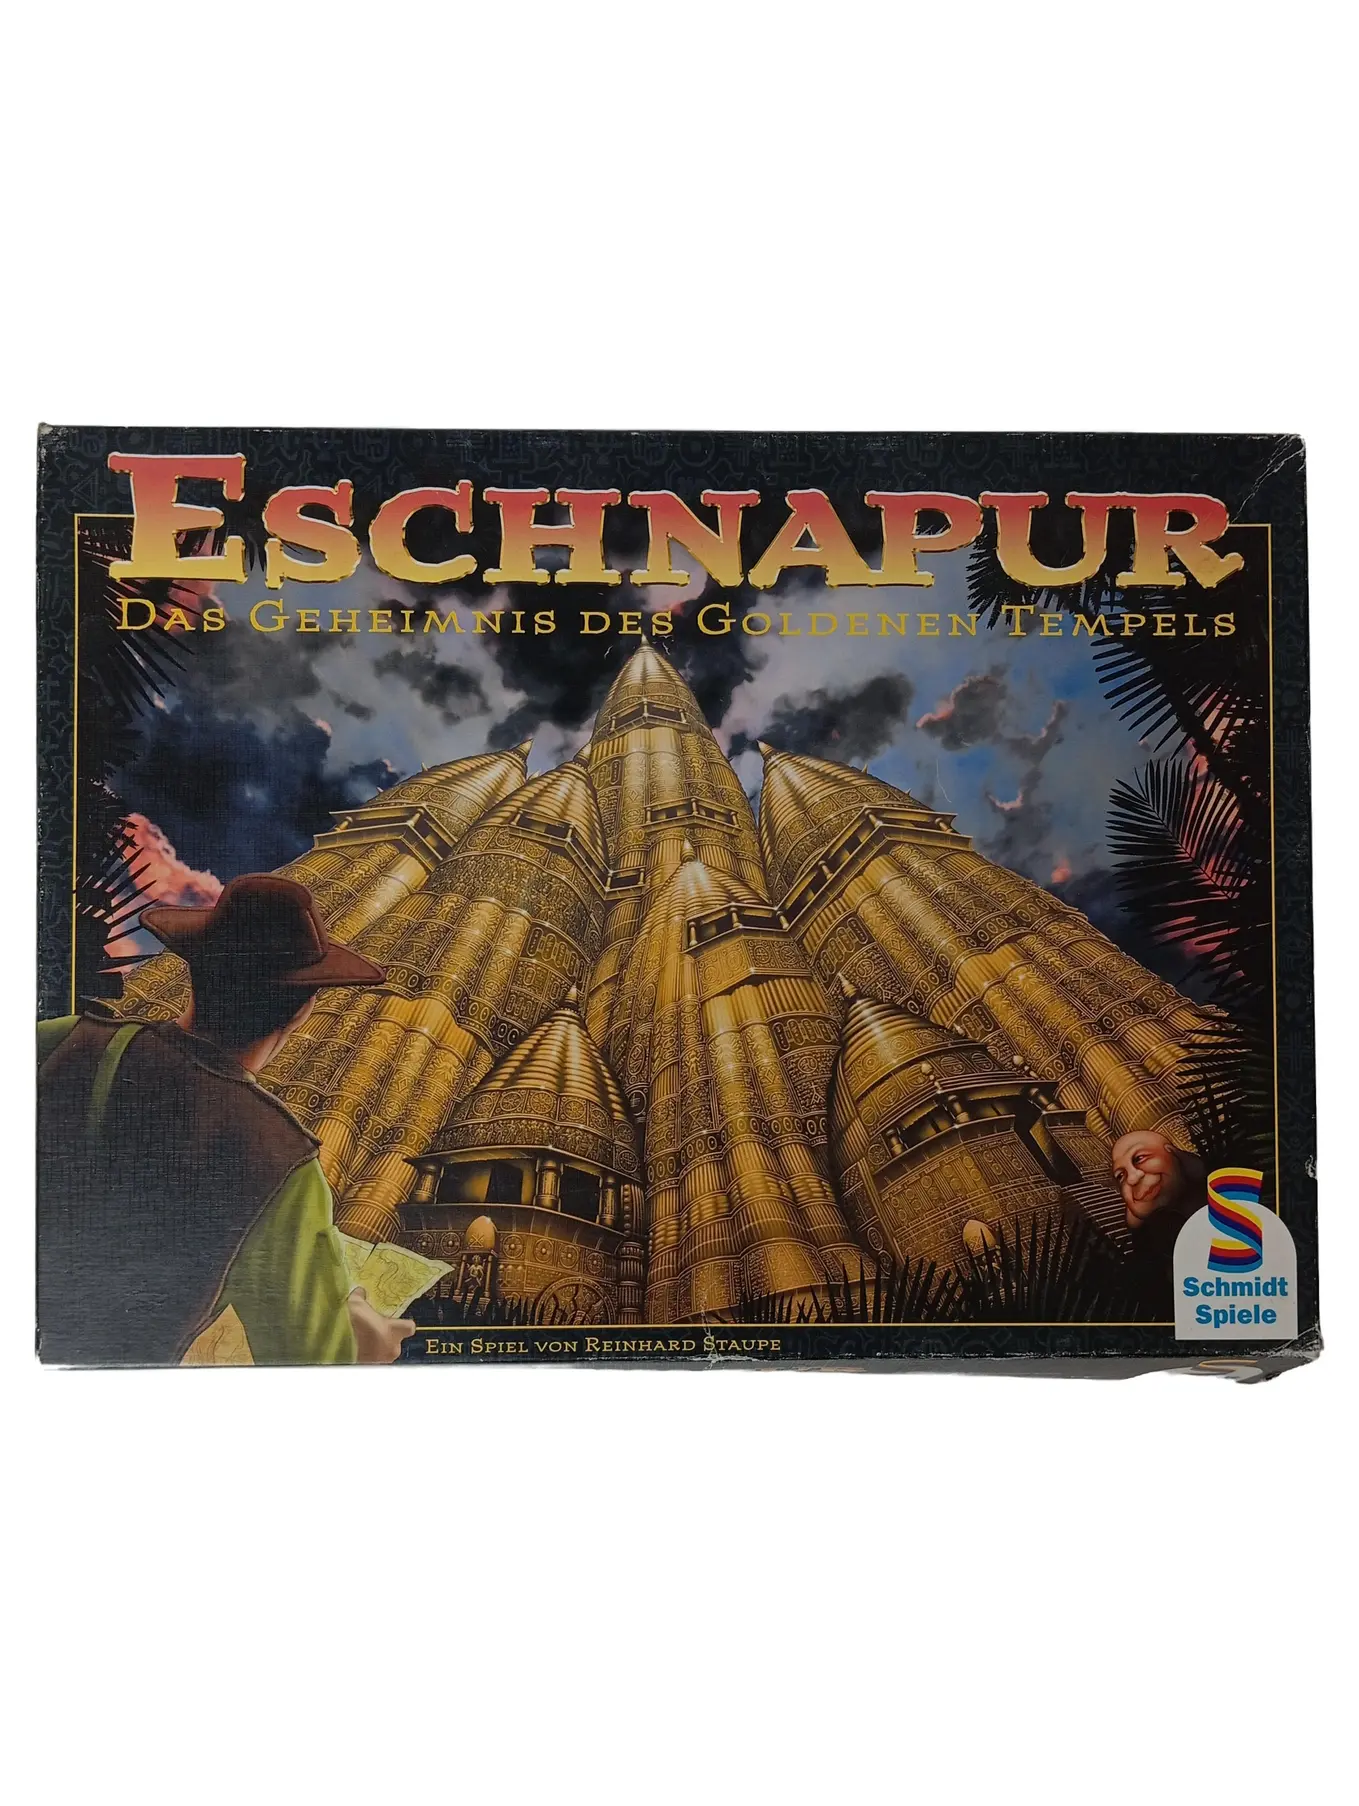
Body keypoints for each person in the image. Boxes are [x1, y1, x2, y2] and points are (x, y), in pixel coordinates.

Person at [37, 874, 415, 1367]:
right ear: (302, 1011)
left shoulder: (62, 1040)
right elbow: (314, 1364)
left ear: (197, 973)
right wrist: (370, 1343)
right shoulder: (280, 1159)